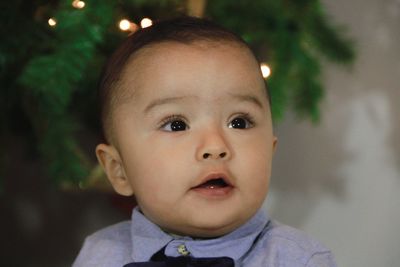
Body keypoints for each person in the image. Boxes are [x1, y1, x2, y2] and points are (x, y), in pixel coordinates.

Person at [73, 16, 336, 267]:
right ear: (119, 171)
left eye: (239, 122)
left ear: (271, 150)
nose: (215, 147)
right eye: (176, 125)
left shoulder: (299, 259)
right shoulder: (100, 254)